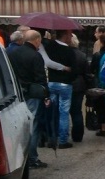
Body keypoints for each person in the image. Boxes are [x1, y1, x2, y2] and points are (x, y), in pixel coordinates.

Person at [8, 29, 51, 169]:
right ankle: (32, 158)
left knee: (18, 126)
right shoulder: (35, 56)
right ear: (37, 40)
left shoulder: (11, 53)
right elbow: (40, 79)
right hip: (32, 94)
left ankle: (18, 157)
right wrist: (46, 96)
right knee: (33, 126)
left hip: (16, 94)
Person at [43, 30, 77, 149]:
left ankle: (52, 138)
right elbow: (74, 69)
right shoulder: (69, 51)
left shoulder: (49, 47)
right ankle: (63, 140)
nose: (71, 37)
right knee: (64, 112)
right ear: (65, 35)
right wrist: (70, 78)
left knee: (52, 111)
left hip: (52, 82)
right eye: (69, 35)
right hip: (65, 84)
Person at [89, 30, 105, 137]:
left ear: (101, 43)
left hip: (100, 83)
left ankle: (103, 128)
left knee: (101, 106)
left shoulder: (98, 55)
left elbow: (92, 69)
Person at [69, 33, 90, 143]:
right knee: (77, 111)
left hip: (66, 83)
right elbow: (87, 72)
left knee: (62, 111)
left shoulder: (62, 54)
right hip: (79, 84)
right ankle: (78, 136)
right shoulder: (82, 55)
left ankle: (62, 135)